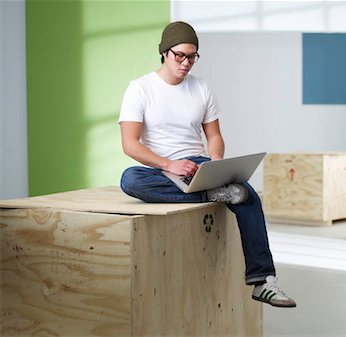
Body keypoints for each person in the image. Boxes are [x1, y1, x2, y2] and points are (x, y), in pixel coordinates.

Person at [118, 21, 296, 308]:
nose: (186, 63)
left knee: (246, 194)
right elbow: (130, 144)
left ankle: (263, 281)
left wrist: (215, 165)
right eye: (180, 56)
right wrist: (169, 164)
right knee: (130, 180)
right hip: (159, 170)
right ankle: (210, 194)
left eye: (192, 57)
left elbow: (214, 137)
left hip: (198, 164)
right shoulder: (139, 89)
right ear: (164, 52)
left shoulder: (202, 88)